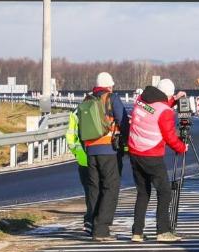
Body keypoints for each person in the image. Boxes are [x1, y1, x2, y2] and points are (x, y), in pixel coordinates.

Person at [128, 79, 187, 243]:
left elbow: (156, 107)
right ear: (168, 94)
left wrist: (174, 99)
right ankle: (163, 231)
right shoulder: (165, 111)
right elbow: (169, 136)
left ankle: (137, 232)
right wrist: (182, 148)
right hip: (151, 154)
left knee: (143, 192)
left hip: (134, 151)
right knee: (164, 192)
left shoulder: (141, 100)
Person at [80, 72, 128, 242]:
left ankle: (92, 223)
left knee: (94, 188)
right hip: (109, 149)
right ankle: (101, 229)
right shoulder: (111, 98)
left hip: (91, 150)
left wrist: (87, 148)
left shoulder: (87, 100)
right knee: (111, 188)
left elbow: (81, 128)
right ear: (109, 86)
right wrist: (126, 145)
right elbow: (123, 121)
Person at [65, 110, 93, 234]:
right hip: (102, 157)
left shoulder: (76, 113)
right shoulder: (103, 109)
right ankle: (96, 221)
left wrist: (77, 153)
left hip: (83, 160)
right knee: (103, 190)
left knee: (89, 192)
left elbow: (70, 139)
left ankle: (89, 221)